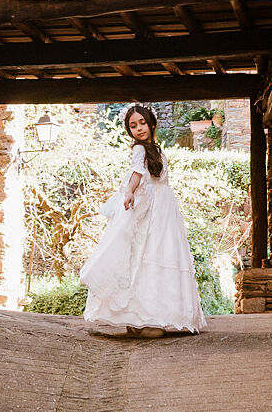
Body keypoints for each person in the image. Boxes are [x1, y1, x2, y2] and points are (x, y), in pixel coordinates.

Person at [79, 104, 206, 336]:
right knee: (145, 256)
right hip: (153, 208)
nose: (138, 129)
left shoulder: (153, 149)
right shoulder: (140, 150)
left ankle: (150, 318)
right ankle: (141, 319)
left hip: (164, 209)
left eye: (142, 123)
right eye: (132, 126)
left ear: (152, 124)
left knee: (156, 256)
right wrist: (129, 192)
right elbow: (136, 173)